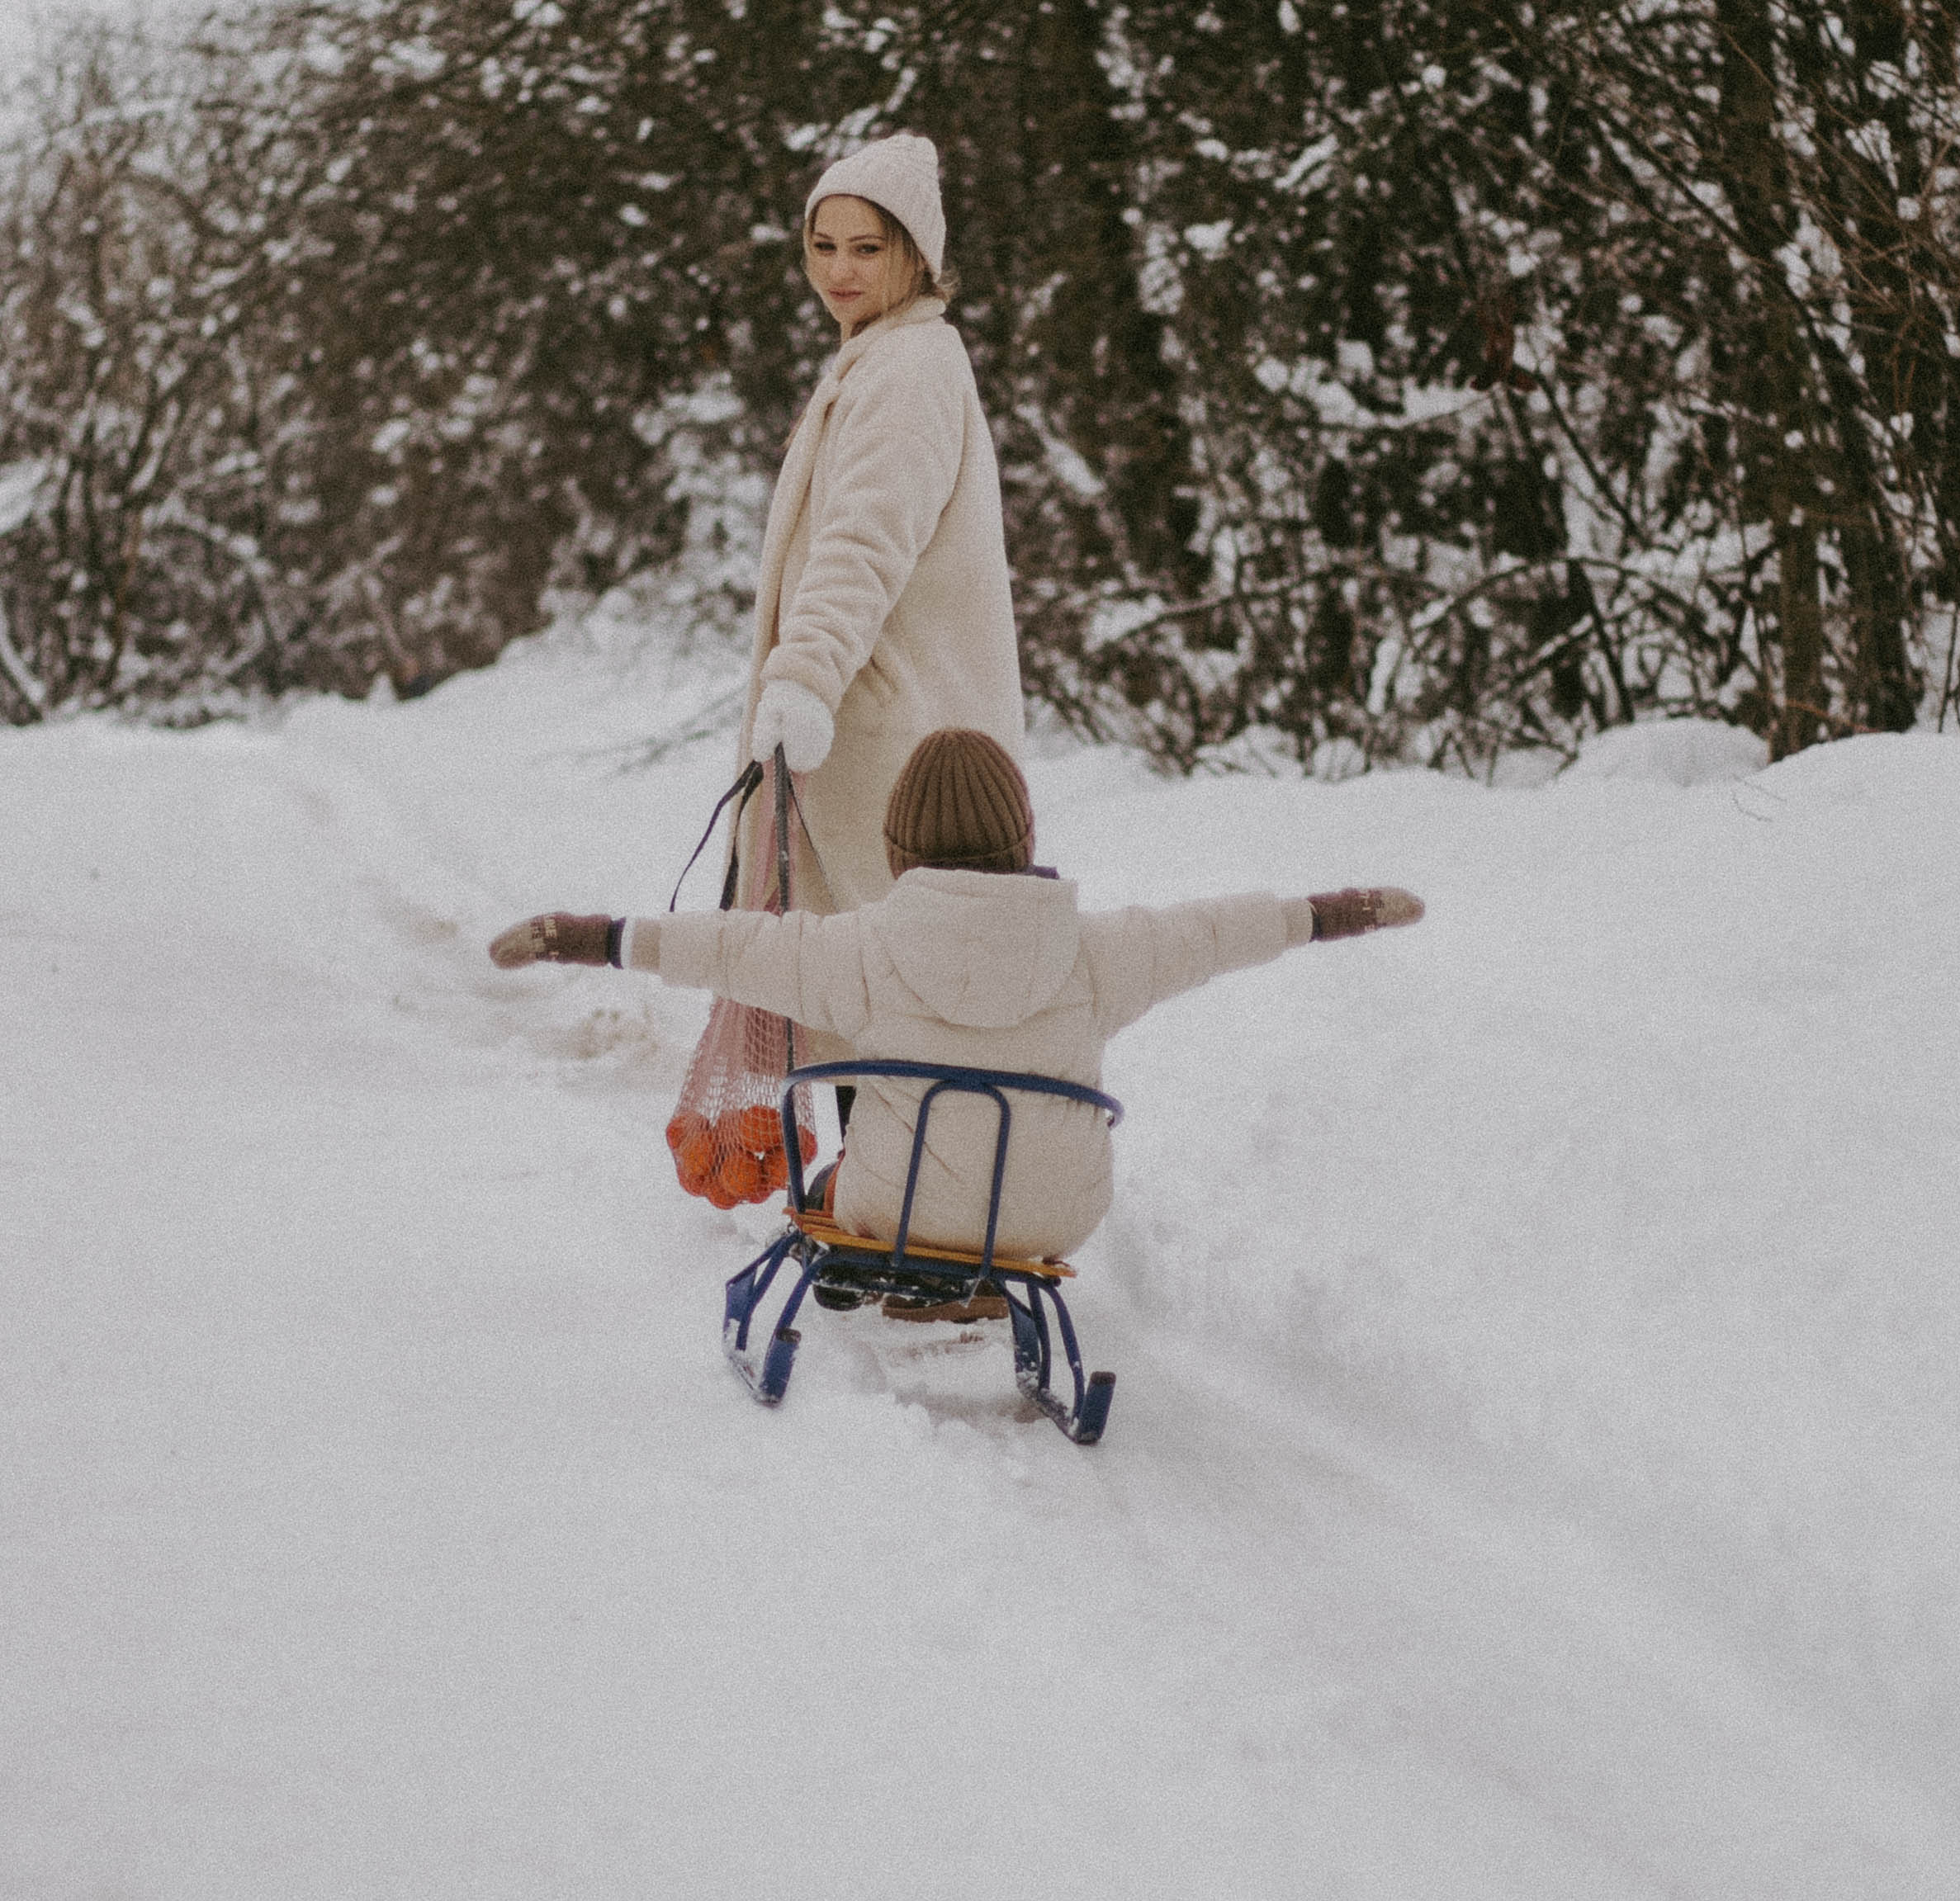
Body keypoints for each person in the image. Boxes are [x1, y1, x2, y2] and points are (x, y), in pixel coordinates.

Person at [492, 729, 1424, 1266]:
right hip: (1059, 1218)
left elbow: (727, 948)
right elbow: (1217, 930)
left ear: (897, 853)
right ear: (1023, 841)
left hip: (893, 1216)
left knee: (838, 1175)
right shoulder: (1096, 951)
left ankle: (863, 1278)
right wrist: (1333, 912)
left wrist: (589, 937)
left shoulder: (858, 947)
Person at [731, 133, 1022, 1019]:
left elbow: (863, 543)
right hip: (884, 728)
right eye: (823, 246)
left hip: (886, 739)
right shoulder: (884, 357)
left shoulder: (906, 369)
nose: (838, 271)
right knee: (889, 1008)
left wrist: (805, 678)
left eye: (867, 248)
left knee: (887, 1010)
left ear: (917, 254)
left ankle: (891, 1165)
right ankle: (880, 1165)